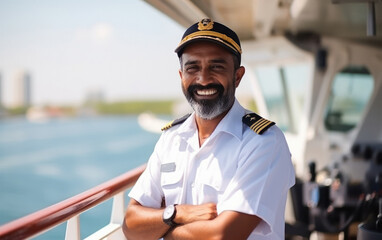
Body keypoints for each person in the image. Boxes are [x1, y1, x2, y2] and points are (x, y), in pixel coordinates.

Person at [123, 18, 295, 240]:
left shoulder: (264, 142)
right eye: (192, 67)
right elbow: (130, 225)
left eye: (216, 67)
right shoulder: (171, 139)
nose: (203, 79)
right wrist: (177, 213)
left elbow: (222, 236)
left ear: (238, 76)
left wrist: (162, 230)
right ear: (181, 76)